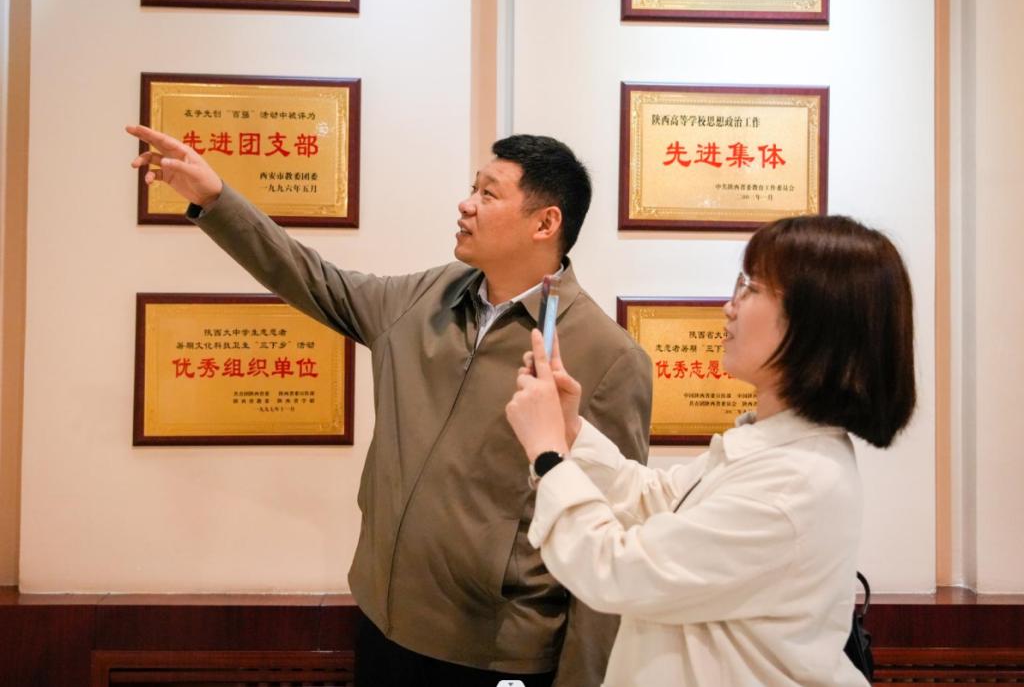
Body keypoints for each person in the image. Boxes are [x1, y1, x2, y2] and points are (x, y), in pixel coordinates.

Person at [125, 124, 652, 687]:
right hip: (384, 624)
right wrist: (215, 199)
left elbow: (613, 542)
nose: (466, 204)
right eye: (472, 188)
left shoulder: (608, 357)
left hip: (500, 654)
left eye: (488, 193)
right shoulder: (427, 297)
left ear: (545, 224)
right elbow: (315, 280)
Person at [505, 215, 916, 686]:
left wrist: (549, 456)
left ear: (816, 323)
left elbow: (616, 570)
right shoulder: (773, 448)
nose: (729, 307)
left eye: (751, 288)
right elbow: (657, 498)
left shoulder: (793, 482)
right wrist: (571, 429)